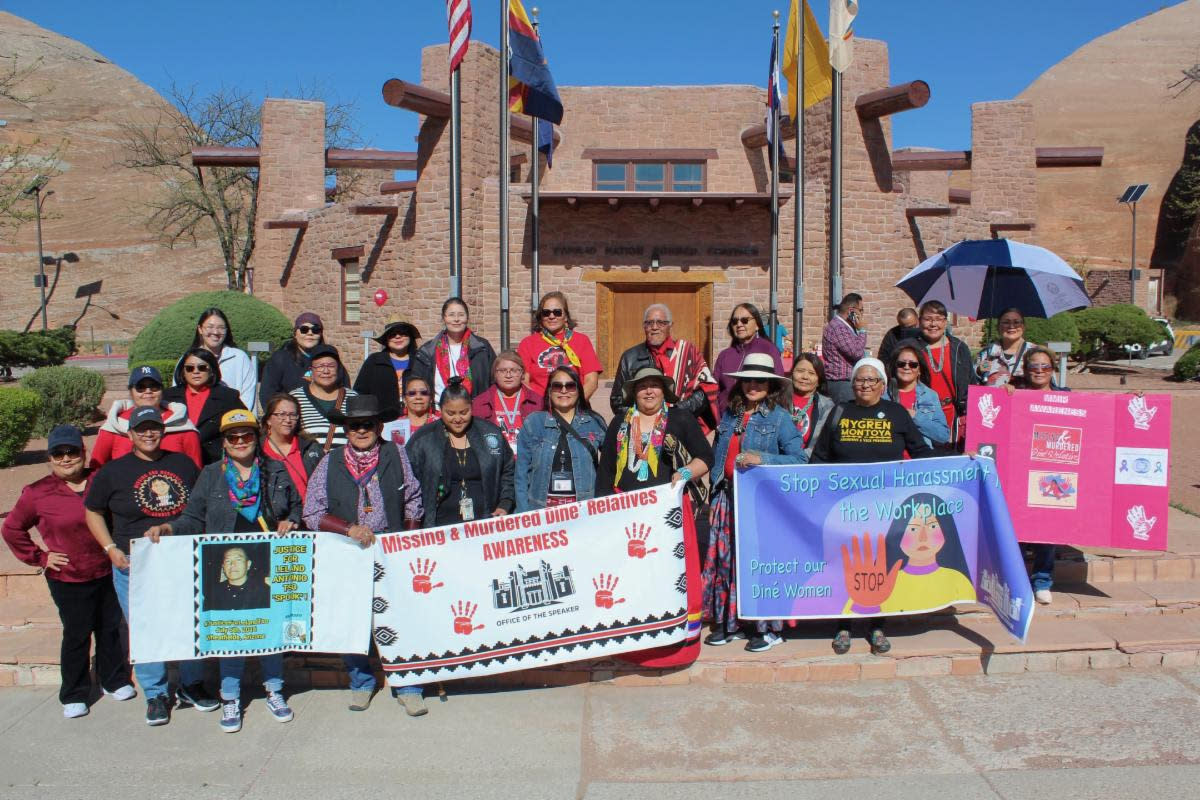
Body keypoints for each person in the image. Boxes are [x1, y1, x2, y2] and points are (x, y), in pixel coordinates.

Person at [145, 409, 301, 732]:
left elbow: (296, 506)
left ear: (256, 438)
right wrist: (170, 528)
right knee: (233, 631)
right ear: (225, 443)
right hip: (226, 564)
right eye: (233, 437)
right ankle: (230, 696)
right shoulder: (211, 475)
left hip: (268, 562)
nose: (241, 442)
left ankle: (275, 689)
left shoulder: (274, 470)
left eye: (246, 435)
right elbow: (193, 518)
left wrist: (292, 521)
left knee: (270, 629)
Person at [83, 406, 215, 726]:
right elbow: (93, 511)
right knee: (145, 627)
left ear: (163, 431)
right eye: (141, 429)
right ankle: (156, 693)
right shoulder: (113, 472)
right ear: (130, 434)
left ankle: (191, 684)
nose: (148, 433)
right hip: (134, 562)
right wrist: (110, 548)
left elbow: (199, 506)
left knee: (190, 621)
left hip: (181, 557)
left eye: (154, 427)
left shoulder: (182, 464)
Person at [303, 395, 425, 714]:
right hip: (349, 549)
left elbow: (413, 498)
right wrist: (348, 529)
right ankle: (361, 681)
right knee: (352, 619)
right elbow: (312, 512)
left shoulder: (396, 454)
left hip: (389, 546)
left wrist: (406, 541)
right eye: (354, 425)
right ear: (347, 428)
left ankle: (407, 682)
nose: (360, 431)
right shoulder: (330, 461)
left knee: (399, 617)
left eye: (367, 425)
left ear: (378, 426)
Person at [2, 425, 134, 720]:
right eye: (58, 454)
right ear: (50, 458)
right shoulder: (37, 493)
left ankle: (114, 681)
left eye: (71, 452)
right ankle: (74, 693)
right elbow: (11, 529)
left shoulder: (100, 480)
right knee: (76, 634)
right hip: (69, 577)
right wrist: (40, 557)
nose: (65, 459)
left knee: (110, 629)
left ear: (82, 453)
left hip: (107, 570)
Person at [810, 357, 934, 656]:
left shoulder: (896, 413)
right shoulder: (840, 411)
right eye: (859, 380)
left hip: (884, 508)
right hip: (844, 508)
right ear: (852, 384)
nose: (865, 385)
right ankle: (844, 624)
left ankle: (877, 624)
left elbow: (919, 451)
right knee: (845, 564)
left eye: (871, 380)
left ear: (882, 384)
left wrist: (959, 458)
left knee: (880, 565)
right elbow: (820, 457)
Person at [596, 365, 713, 670]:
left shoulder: (680, 419)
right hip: (627, 515)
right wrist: (602, 510)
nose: (649, 391)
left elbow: (706, 456)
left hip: (667, 516)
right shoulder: (620, 422)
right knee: (632, 578)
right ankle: (633, 646)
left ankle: (675, 647)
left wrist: (684, 473)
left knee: (666, 576)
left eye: (655, 385)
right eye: (642, 386)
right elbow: (607, 469)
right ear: (633, 391)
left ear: (664, 390)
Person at [702, 354, 806, 652]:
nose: (753, 385)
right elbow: (718, 458)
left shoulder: (780, 418)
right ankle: (730, 622)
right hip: (727, 498)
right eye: (748, 379)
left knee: (760, 563)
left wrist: (763, 459)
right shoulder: (729, 416)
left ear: (770, 385)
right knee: (727, 563)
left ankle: (768, 627)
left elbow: (799, 459)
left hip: (762, 505)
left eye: (760, 380)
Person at [407, 377, 515, 528]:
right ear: (440, 409)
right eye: (450, 413)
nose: (457, 419)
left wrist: (505, 503)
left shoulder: (490, 434)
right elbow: (409, 483)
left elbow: (508, 471)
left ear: (471, 408)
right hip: (440, 527)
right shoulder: (423, 439)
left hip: (485, 523)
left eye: (464, 412)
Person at [1005, 346, 1065, 605]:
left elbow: (1096, 415)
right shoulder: (1016, 394)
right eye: (1034, 367)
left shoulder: (1066, 396)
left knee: (1047, 529)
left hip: (1053, 470)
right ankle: (1016, 580)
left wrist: (1133, 398)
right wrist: (1004, 394)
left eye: (1045, 366)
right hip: (1020, 469)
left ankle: (1042, 580)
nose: (1040, 371)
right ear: (1026, 370)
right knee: (1016, 529)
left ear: (1053, 369)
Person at [610, 303, 717, 431]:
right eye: (649, 323)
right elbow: (617, 400)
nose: (654, 327)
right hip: (641, 431)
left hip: (681, 426)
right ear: (644, 327)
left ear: (670, 325)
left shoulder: (688, 352)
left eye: (661, 322)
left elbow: (706, 389)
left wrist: (675, 413)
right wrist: (644, 418)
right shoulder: (629, 357)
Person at [515, 365, 608, 511]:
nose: (564, 390)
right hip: (541, 509)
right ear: (549, 391)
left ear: (578, 390)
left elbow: (612, 466)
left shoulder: (594, 422)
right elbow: (521, 474)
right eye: (557, 386)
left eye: (570, 386)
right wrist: (522, 512)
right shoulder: (534, 423)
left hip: (583, 509)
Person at [90, 365, 203, 470]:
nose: (148, 391)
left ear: (162, 390)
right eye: (140, 387)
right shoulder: (114, 426)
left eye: (154, 387)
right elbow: (97, 469)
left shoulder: (182, 425)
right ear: (130, 391)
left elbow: (195, 470)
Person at [164, 347, 247, 465]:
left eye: (202, 368)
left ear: (212, 370)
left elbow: (246, 425)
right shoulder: (167, 397)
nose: (195, 372)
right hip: (175, 460)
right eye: (190, 368)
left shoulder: (228, 397)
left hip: (214, 462)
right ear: (183, 371)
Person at [517, 291, 603, 400]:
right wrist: (539, 408)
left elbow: (591, 381)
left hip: (575, 407)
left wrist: (574, 405)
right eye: (546, 313)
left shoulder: (582, 340)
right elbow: (524, 381)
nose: (551, 316)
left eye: (557, 312)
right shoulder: (528, 343)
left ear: (565, 316)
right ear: (541, 316)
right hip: (540, 408)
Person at [411, 297, 496, 407]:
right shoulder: (427, 352)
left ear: (467, 318)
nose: (456, 319)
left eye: (461, 315)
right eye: (451, 315)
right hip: (438, 412)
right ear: (444, 318)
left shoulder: (482, 348)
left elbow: (494, 381)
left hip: (475, 412)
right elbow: (416, 385)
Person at [914, 300, 975, 450]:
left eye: (938, 319)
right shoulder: (911, 348)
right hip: (922, 414)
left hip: (953, 414)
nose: (933, 324)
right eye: (928, 319)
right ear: (919, 321)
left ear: (945, 322)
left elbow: (971, 382)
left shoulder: (959, 348)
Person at [172, 307, 257, 410]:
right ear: (200, 329)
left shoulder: (239, 358)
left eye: (221, 327)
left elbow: (247, 397)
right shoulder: (187, 360)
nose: (216, 332)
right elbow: (177, 396)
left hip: (232, 421)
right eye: (210, 327)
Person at [259, 312, 348, 410]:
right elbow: (268, 394)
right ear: (295, 334)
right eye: (304, 330)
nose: (310, 333)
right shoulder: (280, 359)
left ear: (321, 334)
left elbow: (344, 390)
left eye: (315, 330)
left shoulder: (330, 358)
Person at [713, 303, 785, 415]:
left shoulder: (768, 349)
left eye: (745, 320)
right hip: (727, 420)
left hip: (759, 421)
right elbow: (715, 390)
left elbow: (779, 387)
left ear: (757, 325)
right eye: (734, 321)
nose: (739, 324)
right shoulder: (725, 355)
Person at [289, 344, 357, 452]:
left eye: (331, 366)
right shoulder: (294, 398)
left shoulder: (353, 398)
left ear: (338, 368)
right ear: (311, 370)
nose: (326, 371)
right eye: (320, 366)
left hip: (344, 465)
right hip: (308, 466)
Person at [472, 352, 541, 455]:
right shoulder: (480, 402)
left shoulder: (537, 402)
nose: (508, 375)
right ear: (495, 374)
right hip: (495, 462)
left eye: (514, 370)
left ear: (522, 373)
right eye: (503, 371)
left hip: (529, 461)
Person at [260, 393, 324, 502]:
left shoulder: (311, 448)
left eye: (293, 415)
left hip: (306, 515)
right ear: (268, 419)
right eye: (282, 414)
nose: (288, 420)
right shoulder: (257, 449)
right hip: (270, 515)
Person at [886, 341, 951, 448]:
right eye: (901, 364)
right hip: (891, 459)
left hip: (920, 460)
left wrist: (915, 417)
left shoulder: (930, 396)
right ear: (894, 367)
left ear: (919, 370)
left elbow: (943, 436)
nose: (907, 367)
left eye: (913, 364)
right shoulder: (882, 395)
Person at [353, 316, 421, 416]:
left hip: (416, 420)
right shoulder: (374, 361)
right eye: (392, 334)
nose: (398, 337)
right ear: (386, 339)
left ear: (410, 336)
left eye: (402, 333)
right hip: (381, 421)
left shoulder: (420, 361)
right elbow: (360, 394)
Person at [821, 293, 867, 403]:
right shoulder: (838, 327)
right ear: (851, 311)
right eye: (861, 310)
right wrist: (862, 330)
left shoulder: (846, 327)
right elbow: (856, 352)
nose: (862, 314)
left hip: (847, 382)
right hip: (841, 383)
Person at [788, 352, 835, 459]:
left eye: (811, 373)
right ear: (792, 373)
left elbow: (820, 444)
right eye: (800, 371)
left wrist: (796, 460)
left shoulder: (827, 406)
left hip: (808, 463)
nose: (805, 377)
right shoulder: (778, 400)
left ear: (819, 380)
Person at [976, 307, 1037, 386]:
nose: (1011, 326)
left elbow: (1048, 387)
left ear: (1023, 327)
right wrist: (979, 370)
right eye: (1006, 322)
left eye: (1016, 322)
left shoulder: (1035, 352)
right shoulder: (986, 353)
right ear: (998, 327)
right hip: (992, 397)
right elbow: (972, 383)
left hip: (1024, 398)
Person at [383, 374, 439, 447]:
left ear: (431, 399)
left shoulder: (440, 424)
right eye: (412, 393)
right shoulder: (393, 426)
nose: (418, 397)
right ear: (404, 400)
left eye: (424, 393)